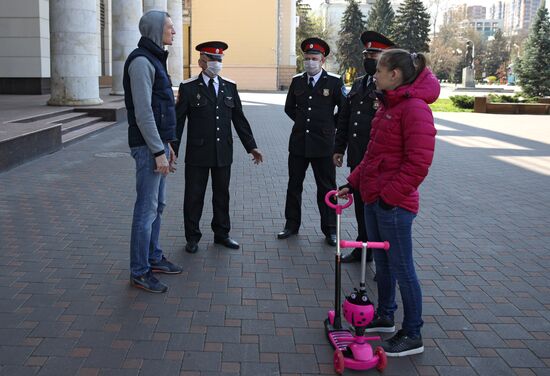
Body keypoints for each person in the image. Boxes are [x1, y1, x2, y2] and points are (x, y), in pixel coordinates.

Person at [338, 49, 439, 356]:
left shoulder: (414, 109)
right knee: (381, 264)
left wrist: (389, 198)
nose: (374, 75)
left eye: (380, 70)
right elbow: (373, 153)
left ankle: (412, 333)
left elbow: (418, 163)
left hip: (392, 205)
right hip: (373, 197)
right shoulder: (387, 105)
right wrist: (353, 182)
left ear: (394, 74)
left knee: (402, 267)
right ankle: (385, 315)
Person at [173, 41, 263, 254]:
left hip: (223, 152)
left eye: (219, 59)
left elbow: (239, 120)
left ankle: (222, 234)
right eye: (212, 59)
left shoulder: (229, 86)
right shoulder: (188, 87)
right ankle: (192, 237)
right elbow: (178, 122)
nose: (216, 63)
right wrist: (172, 150)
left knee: (222, 194)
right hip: (198, 153)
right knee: (194, 196)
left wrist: (252, 147)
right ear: (201, 62)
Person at [123, 10, 183, 293]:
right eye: (170, 28)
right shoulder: (141, 62)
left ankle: (153, 257)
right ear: (156, 29)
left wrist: (167, 145)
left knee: (157, 206)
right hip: (148, 148)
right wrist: (158, 150)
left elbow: (160, 111)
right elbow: (144, 112)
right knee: (146, 210)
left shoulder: (155, 60)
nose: (173, 32)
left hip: (157, 145)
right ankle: (139, 270)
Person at [333, 31, 395, 264]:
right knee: (361, 207)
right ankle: (362, 247)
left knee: (380, 210)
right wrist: (339, 148)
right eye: (367, 54)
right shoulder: (360, 84)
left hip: (381, 162)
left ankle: (383, 259)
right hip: (359, 158)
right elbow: (345, 119)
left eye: (374, 54)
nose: (369, 58)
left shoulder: (390, 88)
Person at [277, 37, 345, 246]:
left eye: (314, 58)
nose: (310, 62)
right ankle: (291, 225)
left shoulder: (334, 81)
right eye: (306, 58)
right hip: (298, 143)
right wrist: (300, 122)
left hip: (324, 145)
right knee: (294, 185)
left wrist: (329, 126)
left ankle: (331, 229)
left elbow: (343, 111)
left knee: (326, 187)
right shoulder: (298, 81)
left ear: (322, 60)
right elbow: (289, 107)